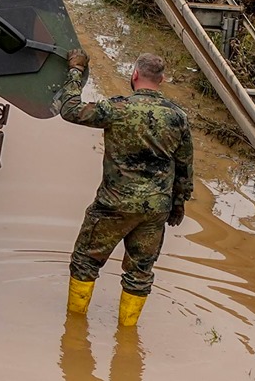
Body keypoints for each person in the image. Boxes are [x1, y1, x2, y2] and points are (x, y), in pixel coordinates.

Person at [59, 50, 193, 329]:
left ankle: (73, 329)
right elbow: (184, 166)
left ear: (134, 75)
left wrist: (75, 70)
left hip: (113, 205)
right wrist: (178, 204)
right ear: (163, 79)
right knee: (140, 273)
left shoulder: (116, 109)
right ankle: (127, 336)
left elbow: (70, 110)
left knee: (85, 262)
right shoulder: (178, 117)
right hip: (156, 209)